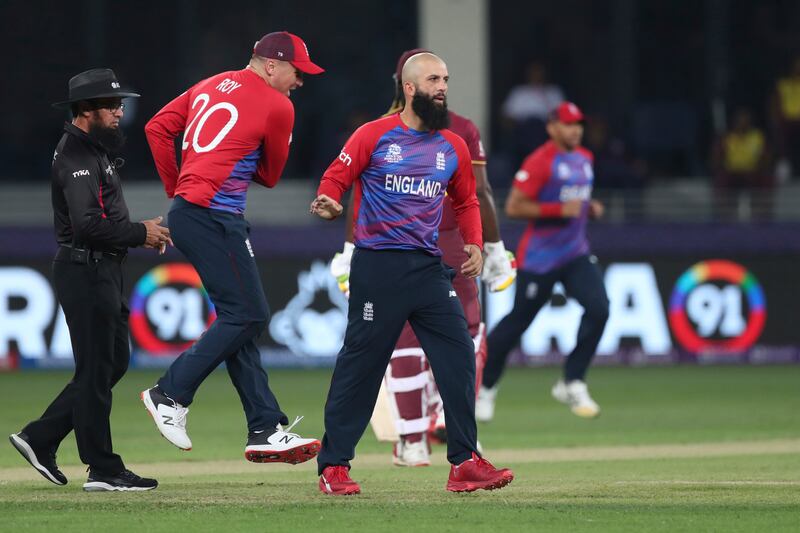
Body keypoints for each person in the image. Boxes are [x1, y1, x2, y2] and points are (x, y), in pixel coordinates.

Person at [310, 52, 514, 495]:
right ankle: (334, 466)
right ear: (409, 88)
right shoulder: (374, 135)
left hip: (427, 268)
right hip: (378, 267)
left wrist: (476, 244)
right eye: (433, 79)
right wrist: (328, 199)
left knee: (460, 355)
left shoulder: (452, 146)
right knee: (361, 366)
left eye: (446, 78)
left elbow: (466, 202)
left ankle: (464, 462)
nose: (442, 86)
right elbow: (336, 176)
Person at [142, 32, 324, 464]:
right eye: (297, 72)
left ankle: (264, 427)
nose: (300, 81)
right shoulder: (279, 105)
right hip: (215, 217)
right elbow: (271, 174)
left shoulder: (209, 84)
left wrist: (177, 187)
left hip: (190, 211)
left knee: (237, 319)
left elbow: (156, 127)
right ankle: (168, 393)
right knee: (251, 314)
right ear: (272, 65)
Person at [9, 68, 170, 492]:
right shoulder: (78, 157)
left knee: (109, 364)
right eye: (112, 105)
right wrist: (140, 233)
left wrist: (139, 231)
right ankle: (103, 468)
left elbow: (102, 220)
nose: (120, 112)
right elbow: (86, 225)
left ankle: (40, 438)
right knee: (96, 370)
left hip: (102, 269)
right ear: (85, 110)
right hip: (85, 269)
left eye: (120, 104)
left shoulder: (93, 150)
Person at [476, 102, 609, 421]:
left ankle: (572, 380)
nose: (575, 130)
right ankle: (485, 387)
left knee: (599, 308)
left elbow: (575, 198)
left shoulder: (585, 158)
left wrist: (589, 208)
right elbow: (513, 207)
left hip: (575, 253)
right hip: (540, 259)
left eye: (578, 124)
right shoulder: (540, 161)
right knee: (518, 322)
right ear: (552, 128)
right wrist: (557, 212)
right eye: (567, 124)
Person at [712, 107, 773, 221]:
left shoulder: (758, 137)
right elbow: (717, 157)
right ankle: (724, 214)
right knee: (721, 178)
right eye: (740, 121)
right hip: (732, 172)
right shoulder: (727, 137)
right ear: (735, 122)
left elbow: (766, 157)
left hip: (753, 172)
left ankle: (761, 213)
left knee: (766, 178)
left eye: (745, 121)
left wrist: (760, 166)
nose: (743, 123)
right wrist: (721, 166)